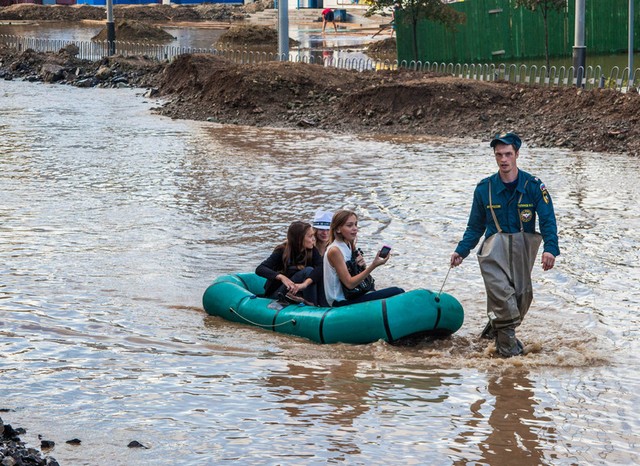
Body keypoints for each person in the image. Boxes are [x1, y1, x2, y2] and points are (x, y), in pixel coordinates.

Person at [450, 132, 559, 357]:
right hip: (493, 253)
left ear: (517, 154)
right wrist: (461, 251)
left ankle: (490, 337)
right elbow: (475, 226)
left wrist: (550, 249)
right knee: (503, 300)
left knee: (522, 298)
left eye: (508, 154)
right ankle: (510, 359)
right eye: (499, 154)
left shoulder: (534, 186)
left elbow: (548, 219)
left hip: (522, 251)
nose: (503, 159)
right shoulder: (484, 189)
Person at [324, 210, 404, 307]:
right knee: (397, 291)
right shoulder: (335, 250)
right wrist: (373, 265)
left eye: (355, 224)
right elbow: (349, 284)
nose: (355, 229)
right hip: (340, 301)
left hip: (354, 295)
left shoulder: (349, 243)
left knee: (397, 291)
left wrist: (362, 265)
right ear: (338, 229)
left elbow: (356, 274)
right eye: (349, 225)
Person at [256, 221, 323, 305]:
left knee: (317, 273)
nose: (313, 239)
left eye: (313, 235)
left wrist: (305, 284)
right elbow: (260, 269)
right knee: (308, 270)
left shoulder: (311, 250)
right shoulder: (282, 250)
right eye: (310, 236)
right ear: (299, 239)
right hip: (279, 292)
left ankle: (316, 303)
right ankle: (312, 306)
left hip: (298, 290)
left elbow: (321, 267)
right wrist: (281, 277)